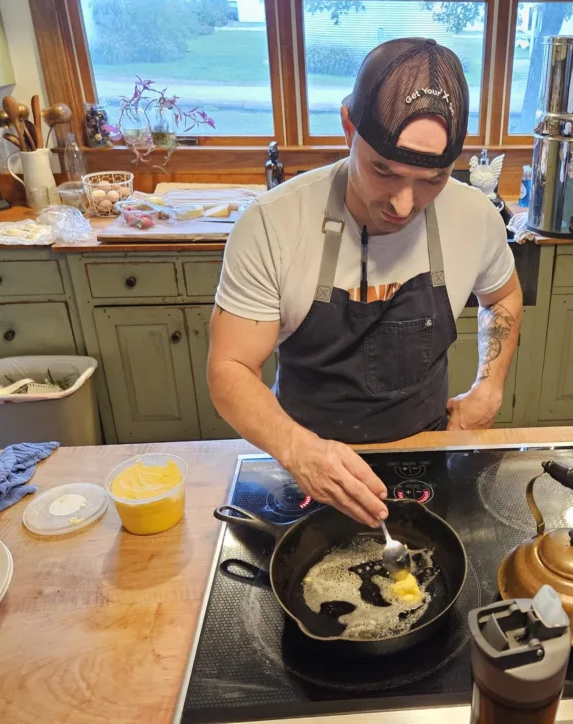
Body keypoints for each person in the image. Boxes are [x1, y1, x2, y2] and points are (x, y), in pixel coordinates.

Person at [208, 38, 521, 528]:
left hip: (427, 451)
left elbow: (502, 295)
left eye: (432, 180)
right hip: (305, 460)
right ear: (348, 126)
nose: (403, 203)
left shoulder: (474, 217)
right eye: (383, 171)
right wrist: (298, 450)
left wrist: (489, 385)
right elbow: (229, 368)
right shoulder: (273, 222)